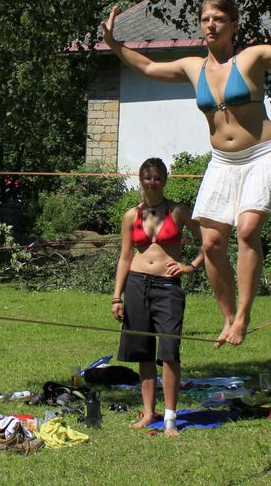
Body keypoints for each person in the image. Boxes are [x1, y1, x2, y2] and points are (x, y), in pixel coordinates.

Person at [103, 0, 271, 347]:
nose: (210, 24)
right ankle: (226, 317)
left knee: (247, 229)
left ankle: (243, 315)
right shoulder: (193, 68)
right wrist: (114, 44)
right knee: (211, 243)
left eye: (219, 18)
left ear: (233, 25)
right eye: (205, 18)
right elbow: (147, 68)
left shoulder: (251, 58)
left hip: (263, 154)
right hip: (223, 160)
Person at [112, 157, 205, 437]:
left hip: (168, 287)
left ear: (165, 180)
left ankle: (170, 417)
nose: (152, 183)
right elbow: (125, 257)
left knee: (169, 352)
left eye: (157, 178)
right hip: (137, 284)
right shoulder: (131, 215)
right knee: (143, 351)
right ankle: (149, 412)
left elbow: (208, 242)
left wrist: (190, 266)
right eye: (147, 178)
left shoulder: (178, 211)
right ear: (140, 180)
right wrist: (117, 296)